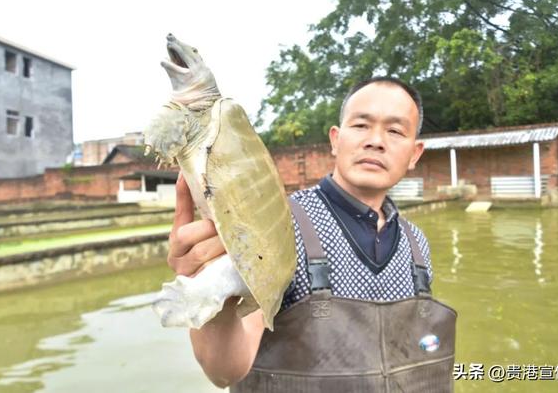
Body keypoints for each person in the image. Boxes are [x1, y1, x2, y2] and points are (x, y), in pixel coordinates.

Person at [167, 77, 457, 392]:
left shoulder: (417, 244)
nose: (376, 140)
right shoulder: (281, 222)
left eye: (395, 130)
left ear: (415, 153)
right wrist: (216, 293)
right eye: (361, 125)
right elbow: (225, 370)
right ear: (335, 139)